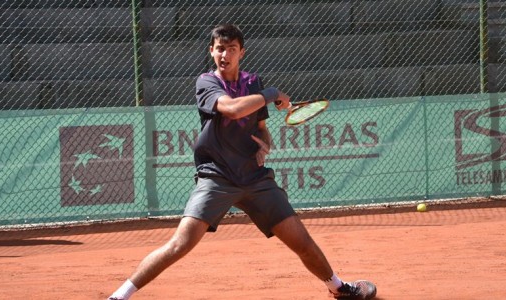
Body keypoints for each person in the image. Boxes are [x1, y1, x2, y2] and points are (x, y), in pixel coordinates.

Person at [108, 24, 376, 300]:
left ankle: (338, 287)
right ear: (211, 51)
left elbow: (260, 127)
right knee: (181, 243)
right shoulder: (206, 82)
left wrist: (264, 144)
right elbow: (233, 110)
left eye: (231, 49)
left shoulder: (252, 83)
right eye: (220, 49)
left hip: (254, 177)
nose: (225, 55)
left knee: (301, 240)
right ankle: (119, 296)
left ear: (241, 53)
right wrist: (272, 94)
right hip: (217, 176)